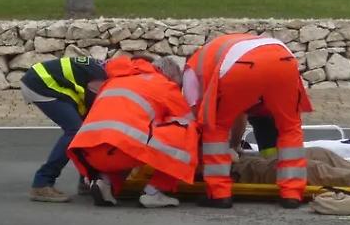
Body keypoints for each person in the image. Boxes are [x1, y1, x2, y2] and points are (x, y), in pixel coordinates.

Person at [184, 33, 313, 210]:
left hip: (241, 66)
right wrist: (235, 145)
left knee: (215, 127)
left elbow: (194, 119)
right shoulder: (223, 48)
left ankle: (219, 193)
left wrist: (195, 155)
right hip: (283, 58)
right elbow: (239, 114)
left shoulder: (192, 68)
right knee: (290, 127)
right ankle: (292, 193)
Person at [69, 55, 199, 208]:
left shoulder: (114, 80)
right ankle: (154, 192)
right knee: (188, 130)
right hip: (123, 149)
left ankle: (104, 181)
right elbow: (188, 120)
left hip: (88, 152)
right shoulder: (164, 85)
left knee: (127, 136)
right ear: (170, 77)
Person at [22, 54, 109, 202]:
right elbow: (94, 103)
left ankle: (87, 181)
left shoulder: (103, 68)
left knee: (85, 130)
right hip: (41, 84)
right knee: (75, 131)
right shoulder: (102, 76)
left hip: (41, 80)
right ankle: (41, 184)